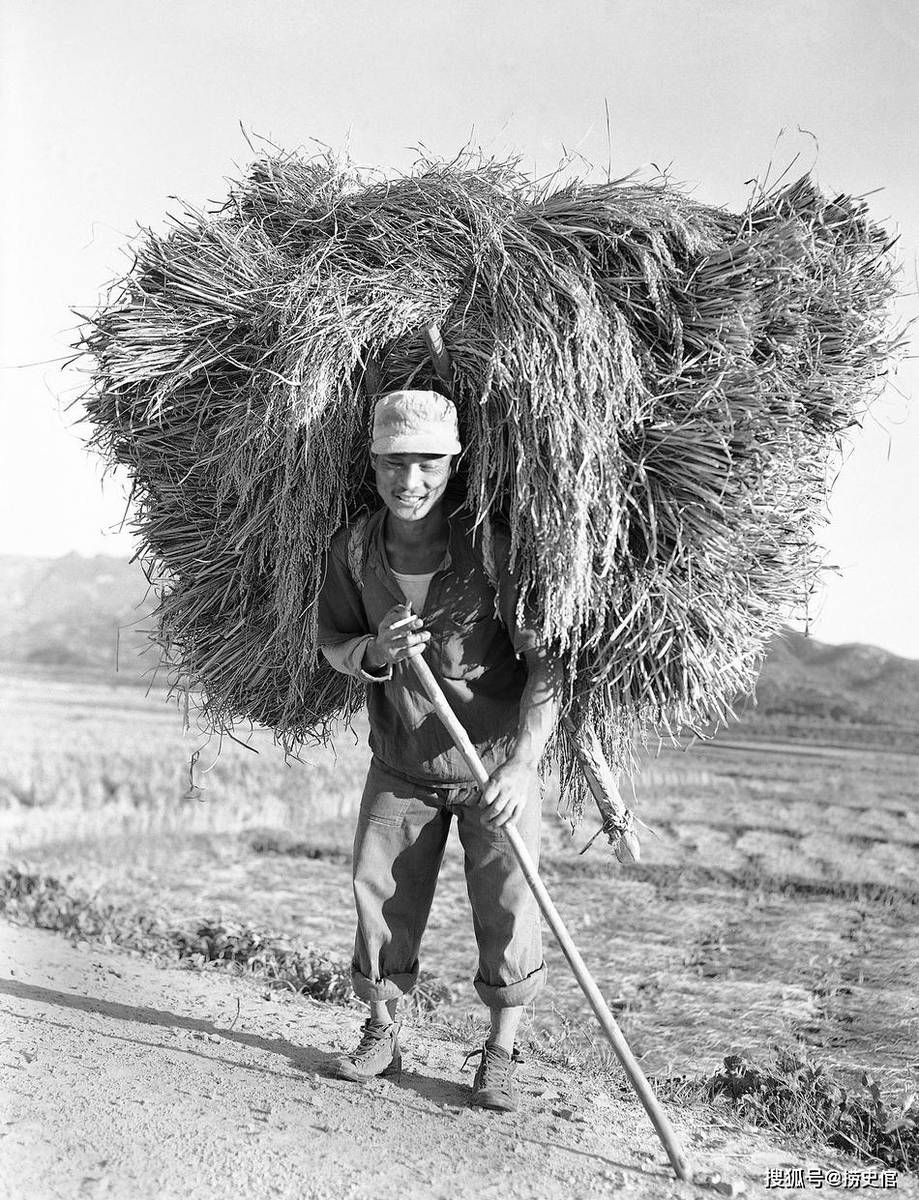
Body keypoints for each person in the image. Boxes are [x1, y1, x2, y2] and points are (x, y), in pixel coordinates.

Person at [316, 389, 561, 1111]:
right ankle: (382, 1032)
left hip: (492, 767)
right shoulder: (354, 550)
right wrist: (375, 649)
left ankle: (501, 1052)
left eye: (427, 464)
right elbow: (332, 644)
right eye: (395, 463)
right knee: (379, 895)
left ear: (453, 464)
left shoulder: (492, 548)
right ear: (373, 463)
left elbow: (547, 666)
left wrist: (522, 764)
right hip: (401, 762)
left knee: (510, 903)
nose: (410, 481)